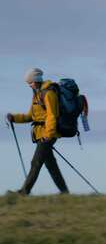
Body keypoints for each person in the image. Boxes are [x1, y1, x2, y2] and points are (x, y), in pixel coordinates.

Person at [6, 68, 69, 196]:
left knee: (36, 162)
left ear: (36, 80)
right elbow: (31, 116)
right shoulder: (37, 94)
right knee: (51, 165)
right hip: (41, 134)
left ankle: (24, 192)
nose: (29, 85)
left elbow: (52, 115)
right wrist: (14, 118)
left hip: (48, 134)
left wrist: (49, 135)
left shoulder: (48, 93)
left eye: (30, 83)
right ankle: (65, 193)